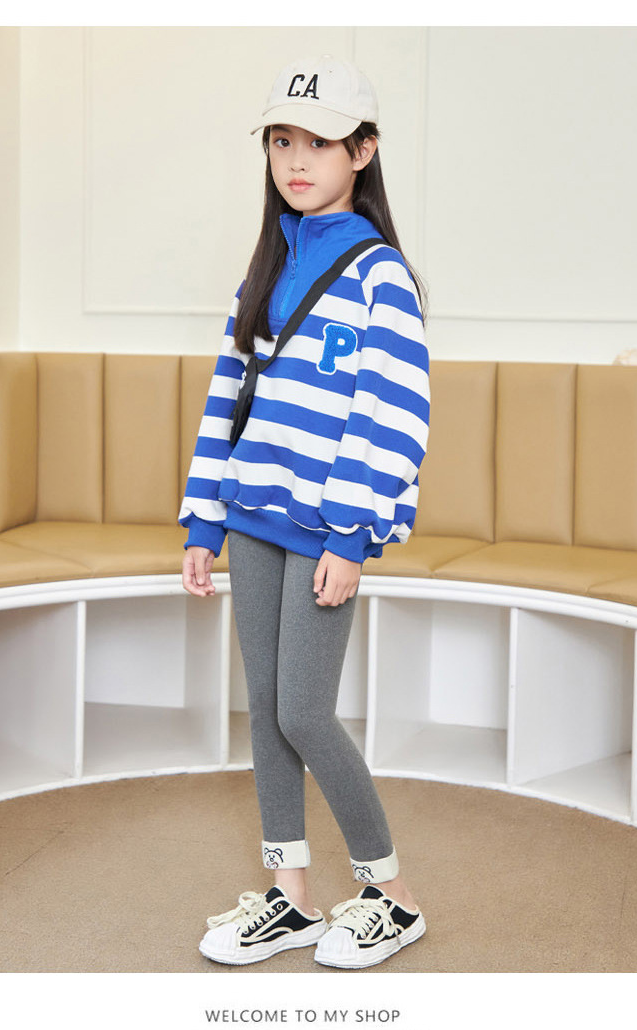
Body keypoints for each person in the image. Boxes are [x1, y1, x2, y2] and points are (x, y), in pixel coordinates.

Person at [178, 55, 431, 969]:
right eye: (282, 140)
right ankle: (291, 897)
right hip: (252, 514)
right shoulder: (268, 265)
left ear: (362, 151)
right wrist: (203, 520)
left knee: (305, 713)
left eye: (318, 142)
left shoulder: (381, 275)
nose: (295, 159)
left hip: (327, 528)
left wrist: (352, 535)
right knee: (265, 707)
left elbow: (392, 414)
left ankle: (392, 895)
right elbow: (228, 398)